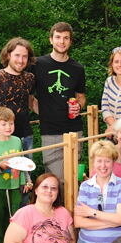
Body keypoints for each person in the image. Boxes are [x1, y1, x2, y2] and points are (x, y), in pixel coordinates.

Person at [30, 22, 86, 184]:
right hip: (50, 131)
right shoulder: (37, 64)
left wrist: (79, 106)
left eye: (66, 38)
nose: (62, 41)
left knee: (74, 178)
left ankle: (71, 210)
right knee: (55, 181)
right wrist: (43, 112)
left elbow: (81, 96)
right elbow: (29, 96)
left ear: (71, 41)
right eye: (58, 37)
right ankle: (57, 209)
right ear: (51, 40)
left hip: (74, 131)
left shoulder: (77, 68)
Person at [0, 107, 33, 243]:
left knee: (17, 217)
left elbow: (23, 162)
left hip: (15, 185)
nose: (8, 127)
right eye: (4, 124)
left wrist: (27, 181)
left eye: (11, 124)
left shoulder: (17, 141)